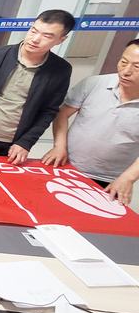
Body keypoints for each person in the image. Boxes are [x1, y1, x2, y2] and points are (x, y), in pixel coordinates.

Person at [0, 9, 74, 165]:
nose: (35, 39)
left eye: (47, 36)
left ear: (61, 40)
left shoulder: (60, 69)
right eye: (33, 31)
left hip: (14, 143)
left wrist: (26, 142)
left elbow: (49, 111)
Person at [41, 39, 139, 205]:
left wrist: (128, 178)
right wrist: (59, 146)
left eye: (137, 67)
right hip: (66, 165)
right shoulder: (94, 83)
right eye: (123, 62)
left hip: (111, 179)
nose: (126, 71)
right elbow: (62, 113)